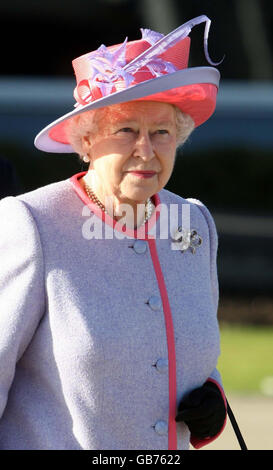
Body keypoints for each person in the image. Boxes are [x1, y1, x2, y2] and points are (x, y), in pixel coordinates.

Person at [0, 16, 227, 450]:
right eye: (127, 130)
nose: (146, 149)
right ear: (86, 141)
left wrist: (210, 398)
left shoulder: (191, 223)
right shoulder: (32, 224)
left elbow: (190, 346)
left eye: (161, 132)